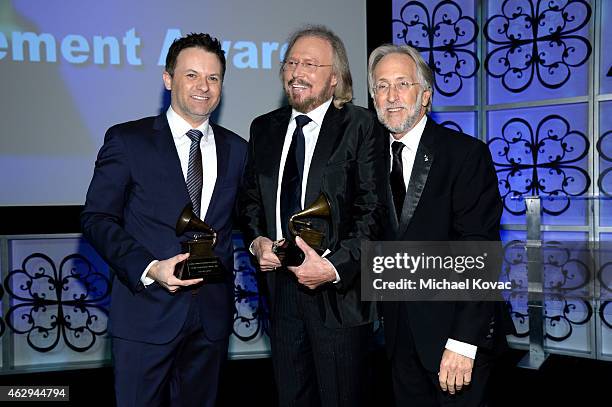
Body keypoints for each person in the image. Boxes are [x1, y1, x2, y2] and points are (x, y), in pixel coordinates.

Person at [81, 33, 247, 407]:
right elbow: (96, 218)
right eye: (191, 75)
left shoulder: (238, 150)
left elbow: (249, 217)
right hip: (145, 314)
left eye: (214, 77)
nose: (203, 86)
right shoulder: (128, 141)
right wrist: (150, 267)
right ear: (168, 78)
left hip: (211, 320)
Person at [238, 25, 389, 407]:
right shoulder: (264, 128)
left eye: (309, 63)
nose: (296, 72)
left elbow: (373, 210)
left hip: (337, 295)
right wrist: (257, 241)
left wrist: (333, 267)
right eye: (291, 62)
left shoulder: (361, 125)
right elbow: (251, 199)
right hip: (281, 293)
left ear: (335, 77)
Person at [368, 43, 511, 406]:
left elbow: (479, 250)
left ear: (426, 95)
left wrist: (464, 343)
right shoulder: (367, 161)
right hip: (398, 339)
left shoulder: (464, 154)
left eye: (403, 84)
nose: (392, 96)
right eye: (382, 86)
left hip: (455, 340)